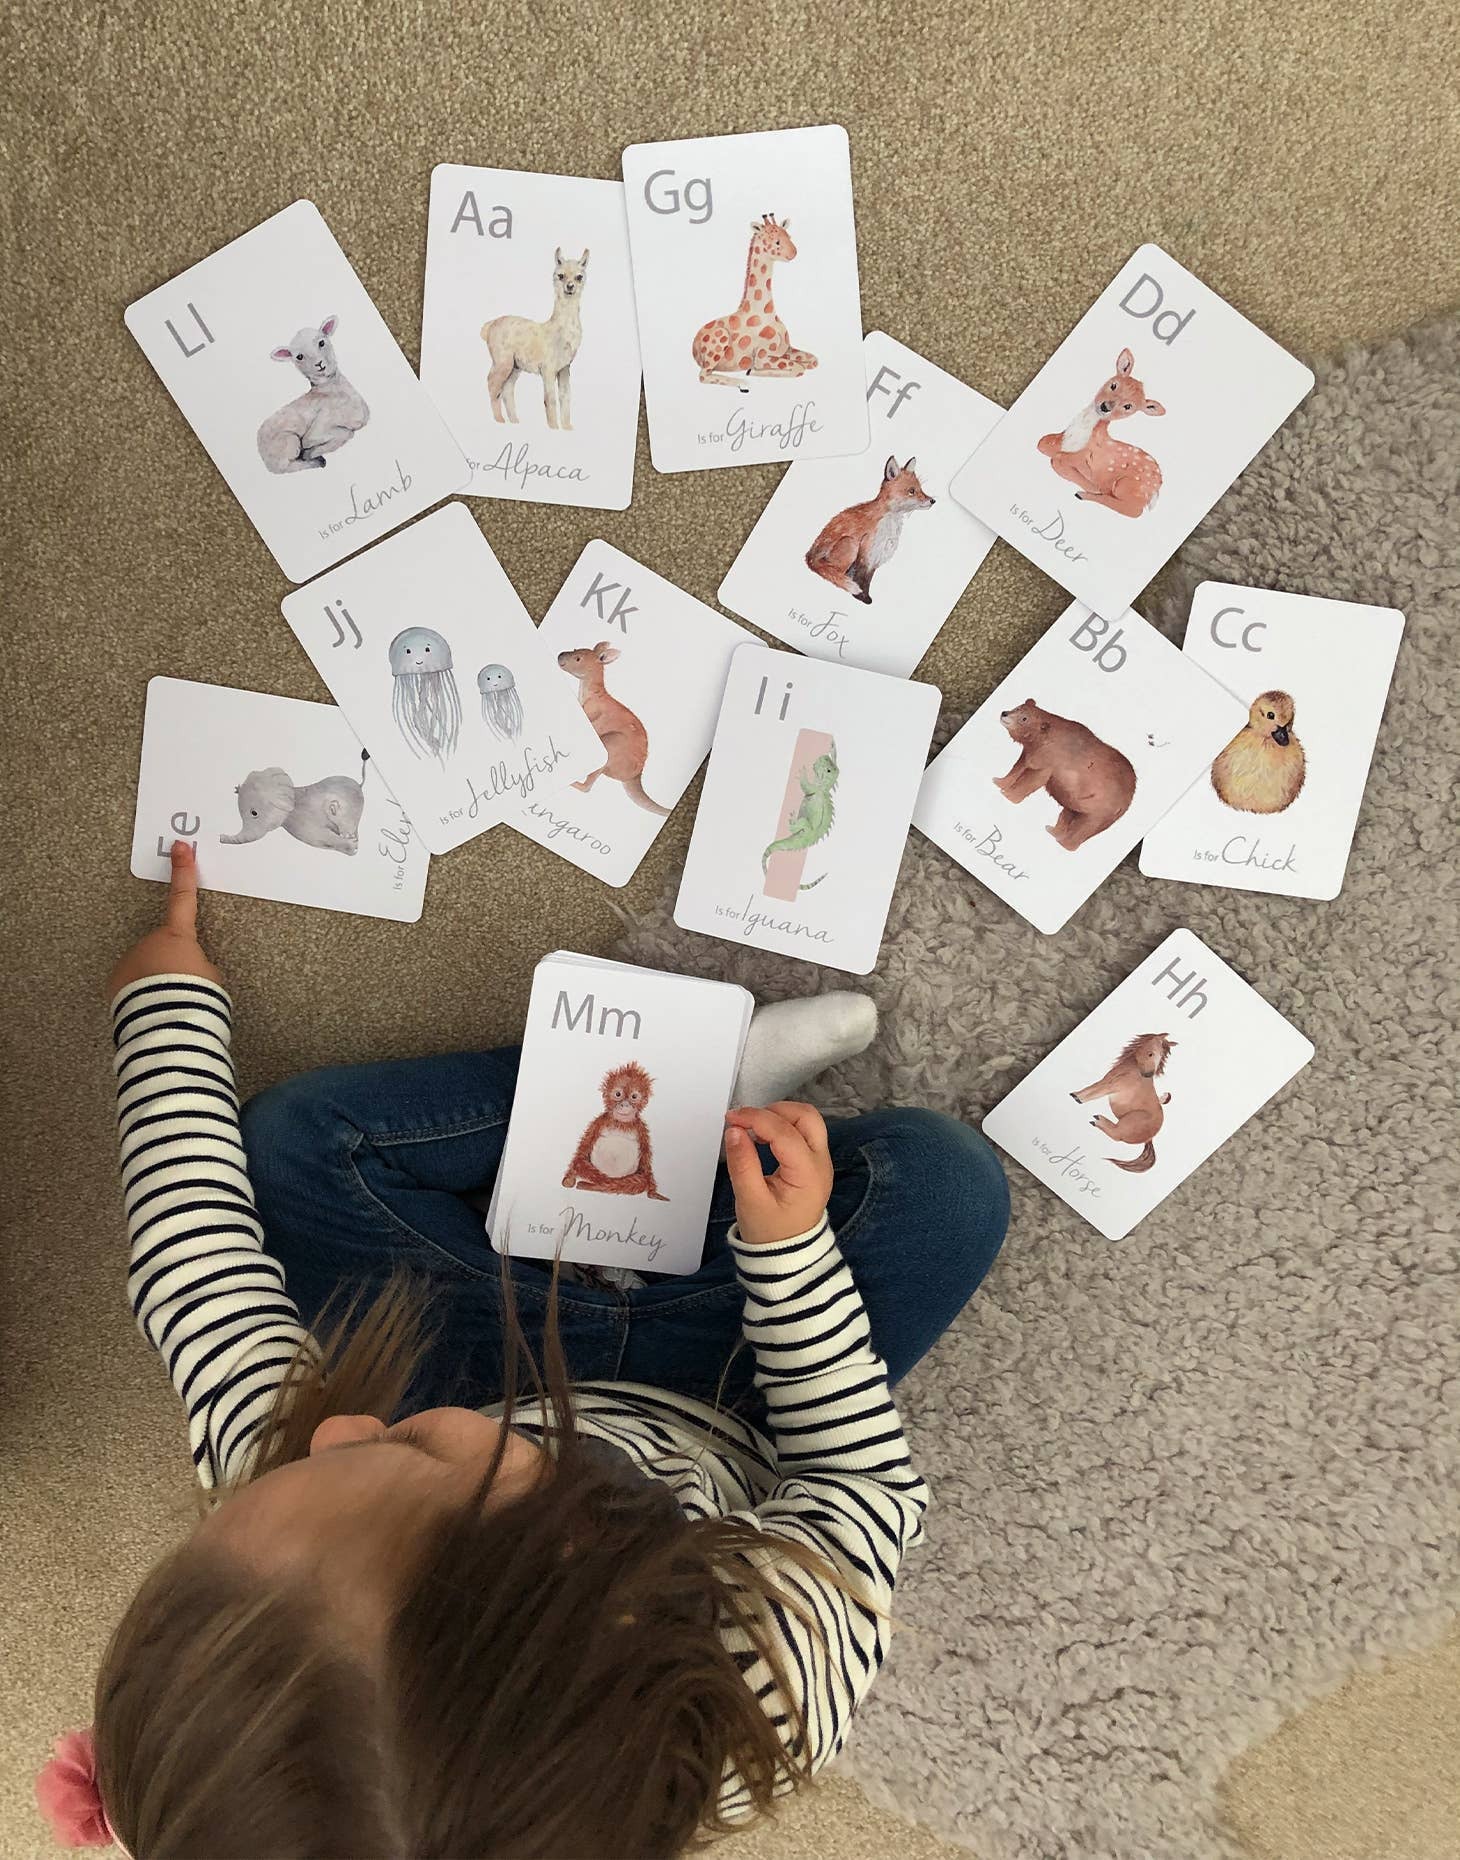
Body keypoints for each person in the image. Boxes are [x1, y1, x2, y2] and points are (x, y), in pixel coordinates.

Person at [38, 842, 1008, 1858]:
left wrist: (162, 1020)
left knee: (285, 1143)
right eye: (394, 1456)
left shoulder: (299, 1523)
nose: (335, 1430)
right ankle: (692, 1114)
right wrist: (789, 1259)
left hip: (470, 1361)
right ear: (578, 1564)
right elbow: (853, 1473)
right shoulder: (770, 1680)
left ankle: (672, 1096)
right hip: (730, 1395)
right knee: (945, 1190)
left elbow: (197, 1269)